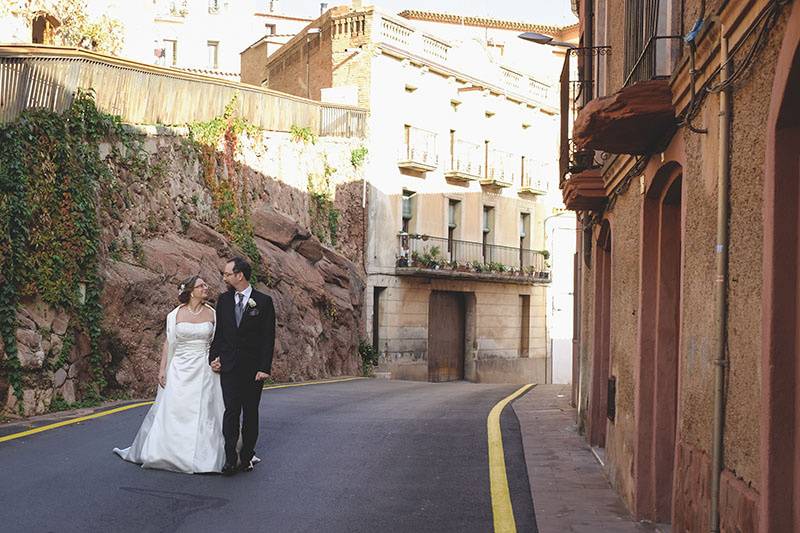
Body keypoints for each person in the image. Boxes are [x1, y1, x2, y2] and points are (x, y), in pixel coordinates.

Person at [114, 276, 226, 473]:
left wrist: (218, 360)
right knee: (176, 409)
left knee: (206, 409)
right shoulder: (175, 315)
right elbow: (168, 343)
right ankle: (167, 452)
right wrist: (162, 369)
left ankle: (205, 455)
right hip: (180, 367)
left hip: (205, 367)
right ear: (191, 291)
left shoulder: (213, 314)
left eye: (206, 285)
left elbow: (221, 341)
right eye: (201, 286)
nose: (206, 288)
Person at [210, 257, 276, 476]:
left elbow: (268, 338)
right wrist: (214, 357)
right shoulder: (224, 300)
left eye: (228, 274)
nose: (225, 277)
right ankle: (230, 458)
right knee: (230, 412)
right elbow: (219, 333)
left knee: (250, 413)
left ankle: (246, 456)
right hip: (229, 366)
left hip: (252, 369)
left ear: (239, 275)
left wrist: (264, 367)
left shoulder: (263, 302)